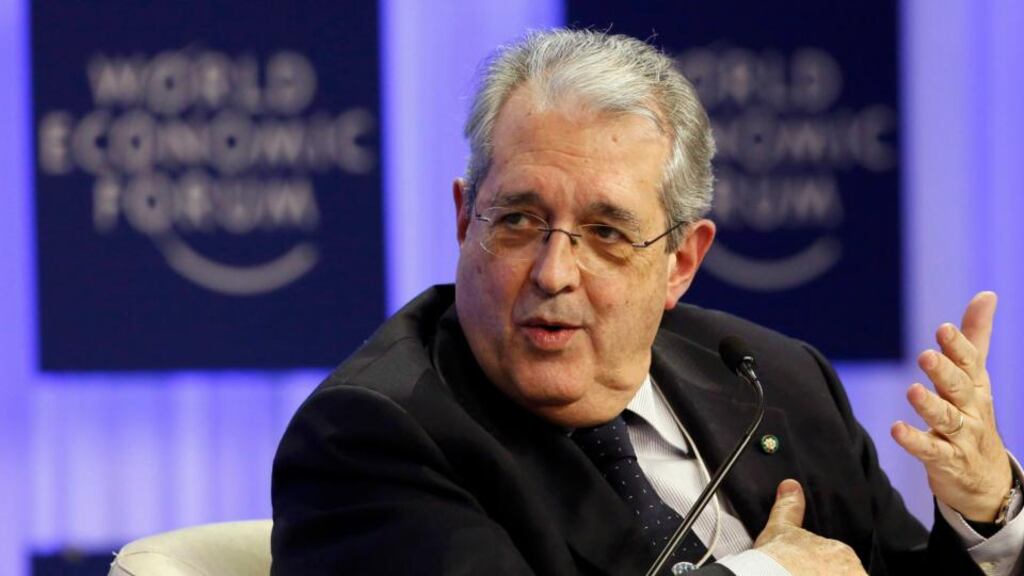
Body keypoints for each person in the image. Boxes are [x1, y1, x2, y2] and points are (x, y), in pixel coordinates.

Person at [271, 29, 1023, 575]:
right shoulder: (372, 438)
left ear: (680, 262)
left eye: (605, 233)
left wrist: (986, 515)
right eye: (521, 220)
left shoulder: (778, 382)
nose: (554, 271)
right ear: (466, 219)